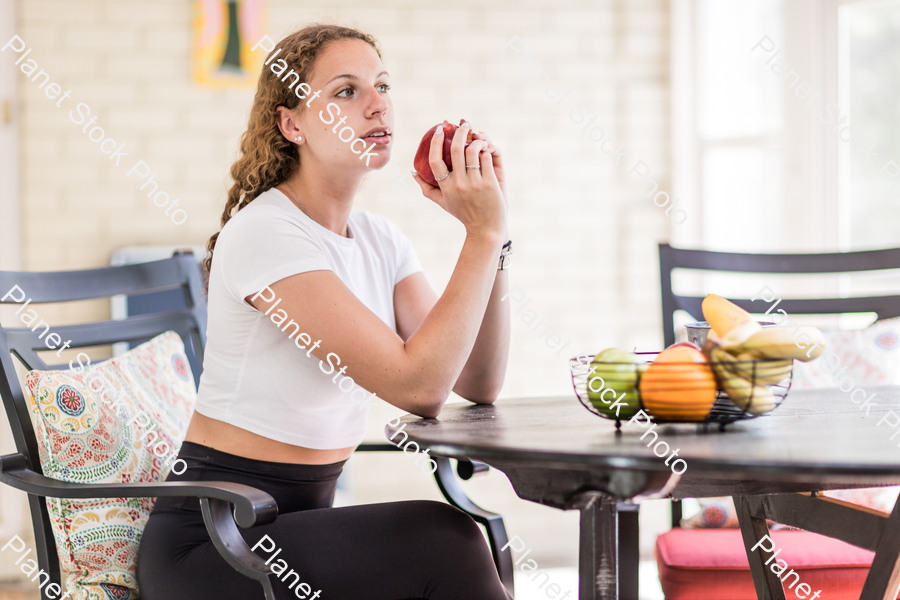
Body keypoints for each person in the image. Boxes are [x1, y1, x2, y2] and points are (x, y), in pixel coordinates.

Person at [137, 23, 512, 600]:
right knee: (446, 540)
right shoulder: (267, 234)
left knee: (446, 541)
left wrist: (495, 240)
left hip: (292, 533)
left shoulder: (380, 241)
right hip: (215, 546)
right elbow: (419, 387)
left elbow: (477, 381)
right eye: (346, 91)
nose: (377, 102)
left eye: (382, 86)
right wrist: (480, 237)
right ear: (292, 124)